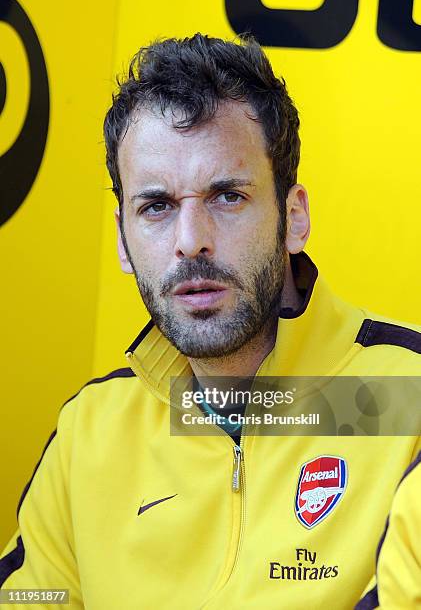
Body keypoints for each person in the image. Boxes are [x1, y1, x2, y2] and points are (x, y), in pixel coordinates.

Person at [1, 33, 420, 609]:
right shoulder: (90, 432)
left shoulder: (408, 395)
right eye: (157, 207)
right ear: (123, 239)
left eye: (226, 196)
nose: (191, 242)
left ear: (294, 218)